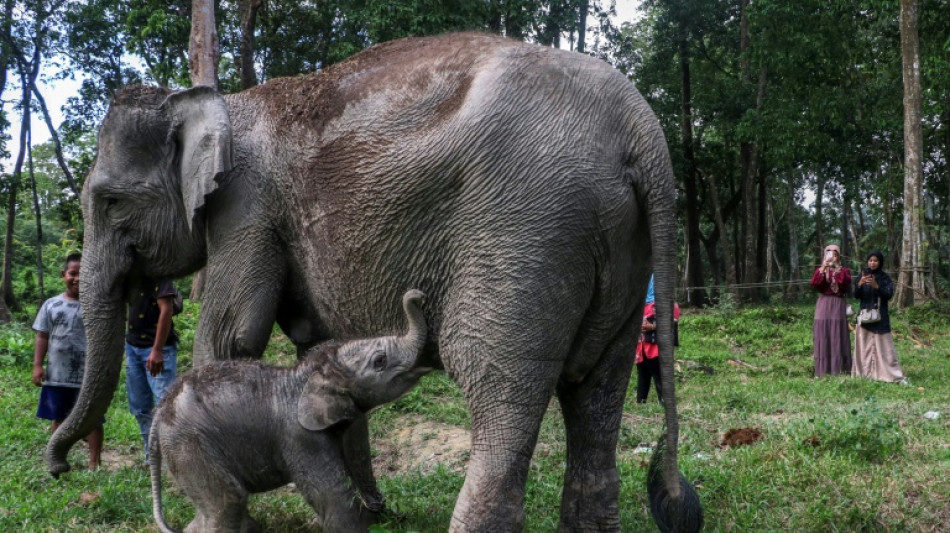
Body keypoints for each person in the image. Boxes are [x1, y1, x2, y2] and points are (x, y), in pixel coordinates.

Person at [32, 253, 103, 469]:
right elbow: (42, 336)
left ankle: (94, 462)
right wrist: (37, 365)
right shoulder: (51, 305)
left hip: (88, 376)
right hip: (57, 375)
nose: (78, 278)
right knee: (59, 418)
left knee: (93, 420)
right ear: (64, 275)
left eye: (83, 274)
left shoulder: (97, 305)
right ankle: (57, 457)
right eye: (73, 273)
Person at [126, 277, 179, 463]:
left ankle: (171, 457)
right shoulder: (131, 278)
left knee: (165, 404)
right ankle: (152, 456)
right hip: (133, 348)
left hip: (157, 349)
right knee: (140, 406)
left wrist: (157, 350)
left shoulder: (159, 277)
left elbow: (167, 309)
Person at [852, 251, 907, 383]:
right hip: (865, 317)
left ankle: (891, 374)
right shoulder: (862, 276)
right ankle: (865, 373)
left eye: (875, 260)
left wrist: (876, 286)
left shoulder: (885, 278)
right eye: (870, 260)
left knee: (885, 347)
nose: (872, 263)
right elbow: (855, 295)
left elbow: (888, 295)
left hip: (880, 317)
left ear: (880, 262)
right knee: (864, 347)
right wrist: (859, 284)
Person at [635, 275, 680, 403]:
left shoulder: (665, 301)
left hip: (656, 346)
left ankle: (664, 401)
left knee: (658, 373)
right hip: (641, 346)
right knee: (643, 374)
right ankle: (641, 401)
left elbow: (674, 319)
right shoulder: (639, 303)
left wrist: (653, 326)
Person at [810, 244, 852, 377]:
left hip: (837, 304)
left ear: (839, 256)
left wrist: (836, 268)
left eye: (835, 253)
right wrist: (824, 267)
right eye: (828, 253)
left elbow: (844, 285)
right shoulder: (821, 270)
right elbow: (815, 284)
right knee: (823, 333)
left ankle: (839, 368)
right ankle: (823, 370)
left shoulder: (844, 271)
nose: (831, 256)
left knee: (837, 333)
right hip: (823, 303)